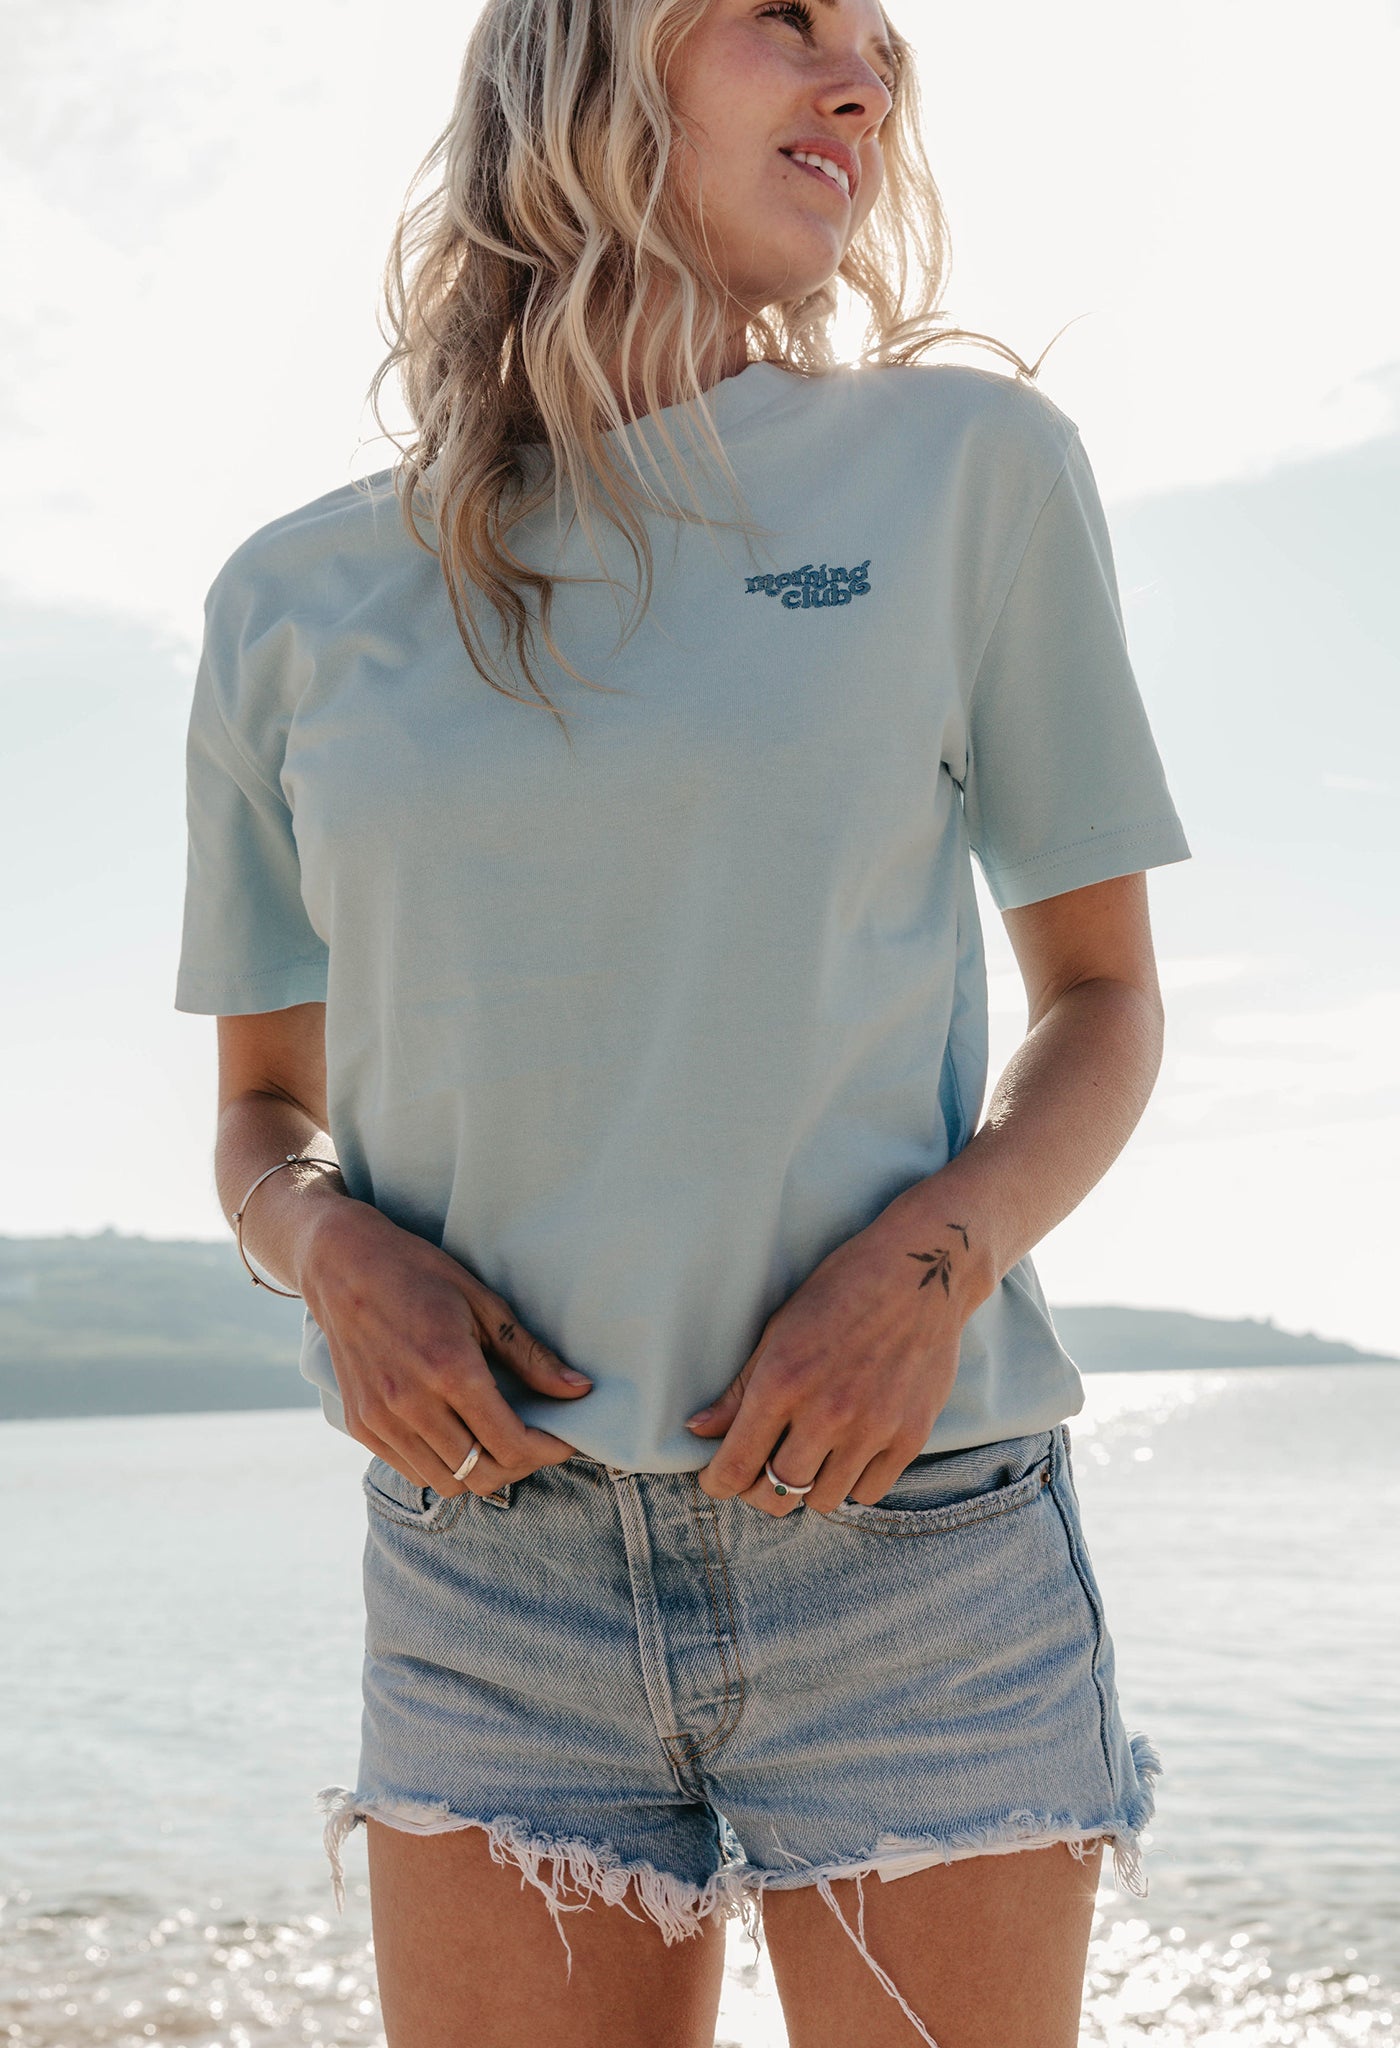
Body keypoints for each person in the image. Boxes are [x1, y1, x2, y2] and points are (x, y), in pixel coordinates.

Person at [174, 0, 1191, 2038]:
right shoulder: (291, 600)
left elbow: (1100, 1000)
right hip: (486, 1567)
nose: (862, 78)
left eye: (880, 46)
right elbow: (264, 1112)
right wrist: (329, 1253)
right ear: (580, 69)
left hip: (910, 1538)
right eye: (784, 21)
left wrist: (932, 1268)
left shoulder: (965, 471)